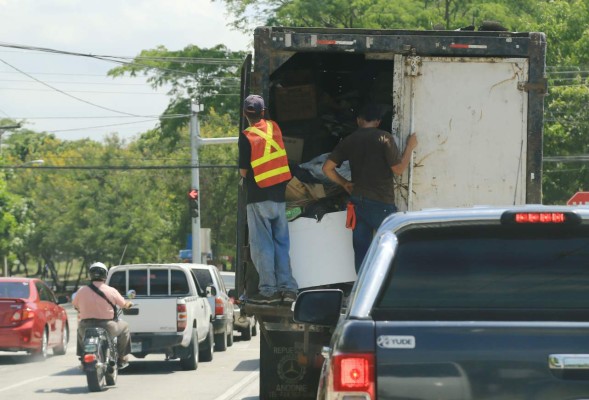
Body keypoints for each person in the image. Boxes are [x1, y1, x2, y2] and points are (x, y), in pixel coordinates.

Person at [323, 103, 418, 272]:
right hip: (381, 202)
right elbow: (398, 169)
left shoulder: (349, 140)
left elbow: (327, 168)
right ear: (378, 121)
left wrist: (344, 183)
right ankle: (389, 288)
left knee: (362, 252)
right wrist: (410, 147)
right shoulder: (385, 138)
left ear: (359, 120)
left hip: (357, 202)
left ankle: (362, 289)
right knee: (392, 247)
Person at [238, 94, 299, 305]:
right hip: (279, 196)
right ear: (263, 112)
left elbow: (244, 172)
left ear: (245, 114)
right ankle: (288, 289)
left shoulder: (246, 136)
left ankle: (269, 290)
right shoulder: (275, 128)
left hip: (258, 197)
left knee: (262, 245)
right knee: (281, 243)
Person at [72, 262, 132, 367]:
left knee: (79, 330)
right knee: (125, 327)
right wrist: (129, 304)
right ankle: (121, 357)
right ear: (105, 275)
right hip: (107, 326)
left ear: (90, 275)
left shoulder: (81, 291)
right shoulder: (111, 290)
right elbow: (123, 304)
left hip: (85, 326)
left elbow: (75, 306)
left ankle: (82, 357)